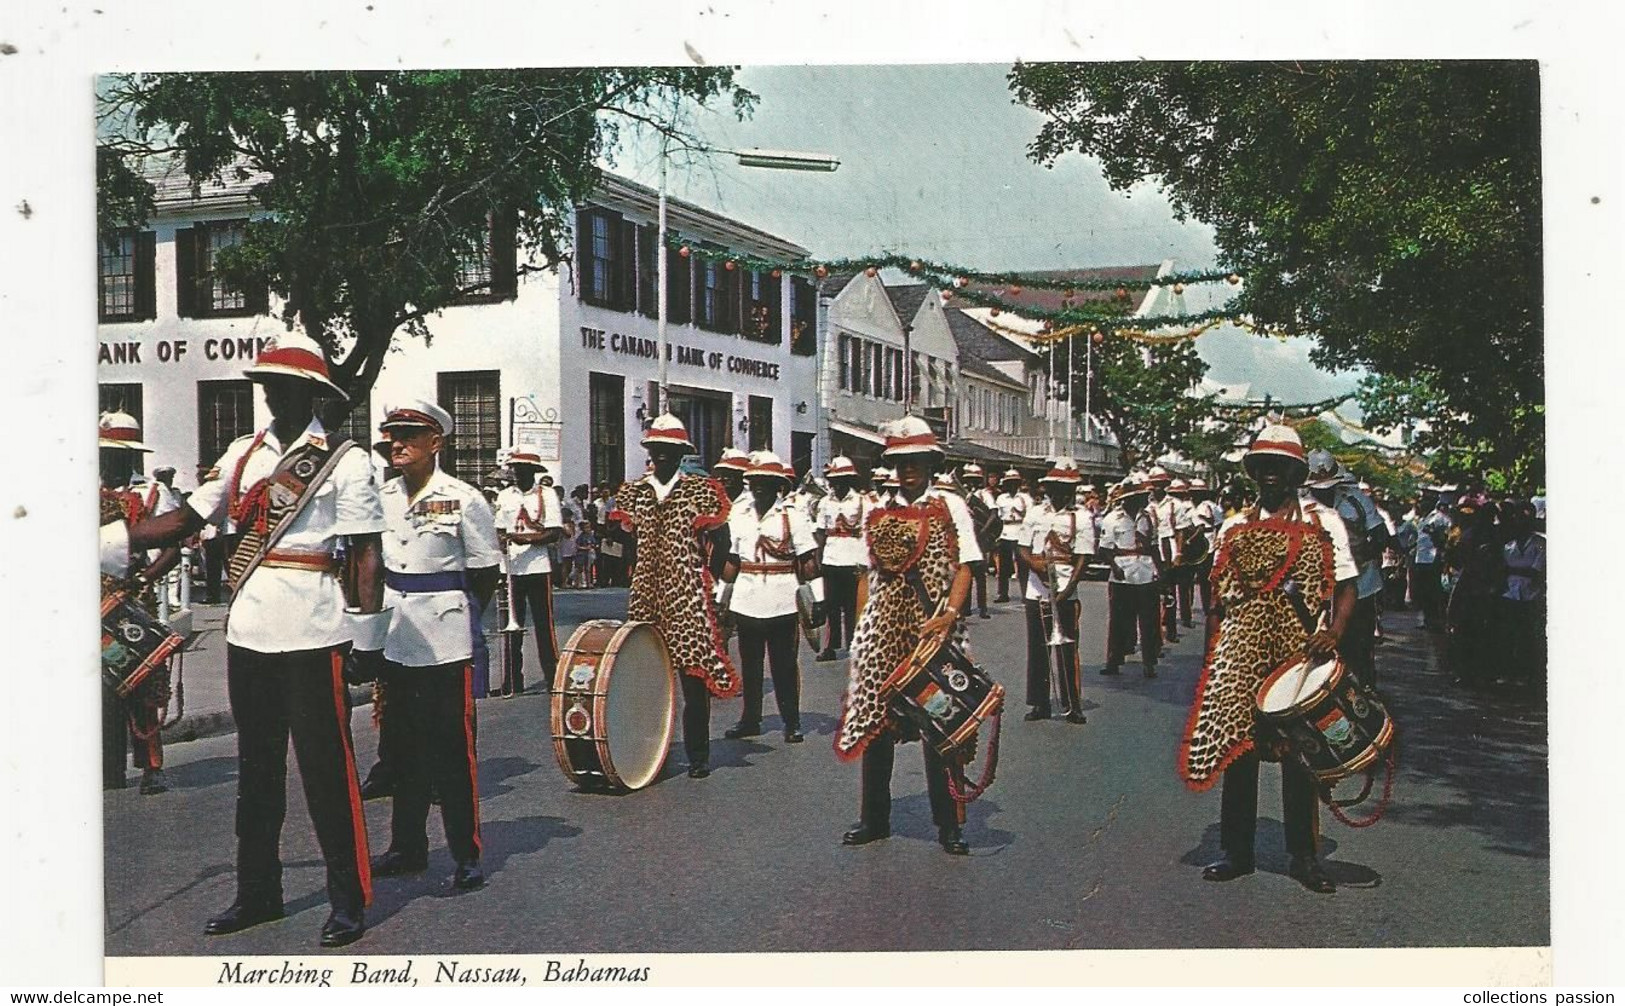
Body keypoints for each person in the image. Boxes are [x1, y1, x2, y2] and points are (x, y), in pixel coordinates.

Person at [126, 332, 384, 947]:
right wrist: (113, 537)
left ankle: (348, 897)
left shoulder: (344, 458)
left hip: (315, 628)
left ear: (312, 393)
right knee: (257, 770)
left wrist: (368, 635)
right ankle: (259, 892)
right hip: (249, 630)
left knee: (327, 770)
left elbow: (367, 550)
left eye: (284, 386)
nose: (272, 397)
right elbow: (189, 518)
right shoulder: (242, 454)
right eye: (267, 386)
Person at [1181, 423, 1357, 895]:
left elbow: (1346, 586)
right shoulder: (1234, 525)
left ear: (1296, 473)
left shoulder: (1324, 523)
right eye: (1262, 468)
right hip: (1240, 652)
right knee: (1239, 751)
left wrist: (1334, 635)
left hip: (1300, 653)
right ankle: (1237, 851)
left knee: (1300, 754)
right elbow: (1217, 599)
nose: (1270, 477)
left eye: (1279, 468)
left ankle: (1304, 856)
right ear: (1253, 473)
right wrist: (1212, 658)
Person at [363, 401, 500, 893]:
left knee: (451, 753)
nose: (397, 443)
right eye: (393, 435)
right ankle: (407, 846)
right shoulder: (383, 497)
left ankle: (466, 854)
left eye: (410, 435)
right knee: (402, 749)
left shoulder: (464, 498)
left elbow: (485, 572)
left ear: (436, 443)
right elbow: (374, 567)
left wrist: (459, 619)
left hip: (445, 639)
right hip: (397, 635)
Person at [835, 416, 981, 856]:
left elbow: (967, 565)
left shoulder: (950, 506)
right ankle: (874, 817)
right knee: (877, 726)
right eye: (901, 462)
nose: (908, 470)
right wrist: (863, 628)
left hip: (932, 629)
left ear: (931, 463)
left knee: (941, 726)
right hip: (884, 630)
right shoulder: (878, 508)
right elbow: (867, 574)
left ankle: (949, 823)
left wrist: (950, 614)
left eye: (916, 461)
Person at [610, 415, 740, 779]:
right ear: (649, 452)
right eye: (657, 450)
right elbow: (623, 539)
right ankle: (651, 751)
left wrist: (706, 577)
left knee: (693, 677)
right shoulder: (635, 493)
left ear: (681, 454)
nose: (662, 457)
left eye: (670, 451)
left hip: (687, 591)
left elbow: (723, 540)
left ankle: (698, 753)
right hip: (646, 596)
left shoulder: (700, 491)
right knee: (647, 674)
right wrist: (636, 569)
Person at [99, 411, 181, 796]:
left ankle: (151, 766)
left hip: (133, 598)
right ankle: (106, 767)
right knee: (99, 685)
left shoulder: (151, 493)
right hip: (93, 599)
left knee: (142, 684)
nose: (108, 461)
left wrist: (144, 579)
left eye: (116, 454)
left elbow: (172, 547)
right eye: (104, 453)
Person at [720, 451, 820, 744]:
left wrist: (820, 599)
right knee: (750, 665)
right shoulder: (738, 515)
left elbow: (808, 560)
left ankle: (792, 721)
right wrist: (719, 597)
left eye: (766, 481)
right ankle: (750, 719)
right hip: (747, 597)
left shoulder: (794, 516)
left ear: (779, 485)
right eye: (754, 481)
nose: (759, 487)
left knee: (784, 665)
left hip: (782, 598)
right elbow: (732, 561)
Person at [1302, 451, 1389, 688]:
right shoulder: (1302, 505)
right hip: (1320, 590)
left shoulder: (1356, 499)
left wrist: (1360, 555)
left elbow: (1381, 535)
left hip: (1362, 584)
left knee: (1359, 648)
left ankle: (1366, 696)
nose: (1324, 491)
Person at [1017, 458, 1094, 722]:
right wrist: (1034, 564)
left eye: (1065, 488)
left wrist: (1069, 588)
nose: (1059, 493)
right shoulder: (1035, 513)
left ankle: (1073, 705)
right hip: (1036, 588)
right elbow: (1022, 547)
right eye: (1055, 487)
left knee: (1067, 648)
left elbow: (1083, 556)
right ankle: (1039, 704)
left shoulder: (1082, 517)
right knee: (1037, 648)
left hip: (1064, 587)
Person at [494, 449, 564, 695]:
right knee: (512, 628)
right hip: (512, 568)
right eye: (514, 469)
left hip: (538, 568)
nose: (516, 473)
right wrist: (502, 540)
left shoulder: (547, 495)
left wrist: (526, 540)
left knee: (544, 626)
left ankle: (552, 677)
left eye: (521, 469)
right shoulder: (504, 496)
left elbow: (555, 532)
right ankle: (512, 681)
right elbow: (499, 529)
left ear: (532, 472)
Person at [1098, 475, 1162, 678]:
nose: (1143, 500)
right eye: (1138, 496)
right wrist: (1114, 567)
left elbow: (1153, 546)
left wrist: (1161, 572)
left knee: (1149, 620)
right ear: (1127, 498)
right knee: (1119, 620)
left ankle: (1149, 662)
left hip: (1144, 571)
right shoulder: (1112, 519)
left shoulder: (1148, 518)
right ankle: (1113, 660)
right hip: (1122, 573)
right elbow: (1104, 548)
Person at [814, 455, 869, 661]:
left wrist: (865, 564)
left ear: (849, 480)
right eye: (833, 481)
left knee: (854, 606)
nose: (836, 485)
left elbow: (867, 532)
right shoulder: (825, 502)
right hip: (831, 560)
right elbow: (820, 532)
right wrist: (819, 560)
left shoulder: (862, 501)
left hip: (854, 560)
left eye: (841, 480)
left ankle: (855, 645)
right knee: (831, 607)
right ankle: (830, 647)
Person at [1498, 502, 1546, 690]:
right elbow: (1503, 570)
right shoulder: (1508, 546)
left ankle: (1526, 674)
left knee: (1526, 637)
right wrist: (1516, 570)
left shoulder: (1540, 544)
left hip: (1530, 596)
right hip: (1510, 594)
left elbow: (1536, 571)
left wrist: (1513, 569)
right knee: (1509, 635)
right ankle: (1509, 672)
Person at [1145, 466, 1191, 642]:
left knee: (1169, 592)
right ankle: (1154, 633)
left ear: (1165, 485)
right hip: (1151, 551)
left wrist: (1179, 553)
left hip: (1168, 548)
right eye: (1153, 484)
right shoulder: (1147, 505)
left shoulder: (1175, 505)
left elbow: (1180, 531)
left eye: (1159, 484)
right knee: (1151, 594)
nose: (1155, 488)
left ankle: (1170, 629)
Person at [961, 463, 999, 619]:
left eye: (974, 479)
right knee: (966, 571)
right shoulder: (963, 495)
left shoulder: (984, 495)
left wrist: (984, 530)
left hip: (980, 535)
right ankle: (966, 607)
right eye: (969, 479)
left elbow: (994, 514)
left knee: (980, 574)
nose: (972, 483)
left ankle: (982, 608)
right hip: (967, 534)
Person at [1413, 490, 1452, 630]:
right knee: (1424, 592)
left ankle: (1436, 621)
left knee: (1434, 592)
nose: (1423, 503)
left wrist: (1435, 535)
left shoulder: (1440, 518)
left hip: (1433, 559)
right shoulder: (1424, 518)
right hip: (1421, 559)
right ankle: (1427, 620)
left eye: (1427, 500)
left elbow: (1445, 539)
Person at [1189, 478, 1225, 616]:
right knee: (1205, 578)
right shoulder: (1211, 505)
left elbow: (1208, 522)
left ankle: (1207, 606)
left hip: (1205, 542)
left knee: (1204, 578)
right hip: (1208, 541)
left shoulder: (1205, 506)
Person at [994, 469, 1030, 603]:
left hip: (1020, 531)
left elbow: (1029, 517)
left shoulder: (1025, 498)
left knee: (1022, 566)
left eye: (1014, 483)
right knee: (1003, 567)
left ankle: (1026, 593)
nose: (1012, 486)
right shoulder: (1001, 498)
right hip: (1005, 531)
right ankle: (1003, 593)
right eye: (1009, 483)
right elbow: (997, 517)